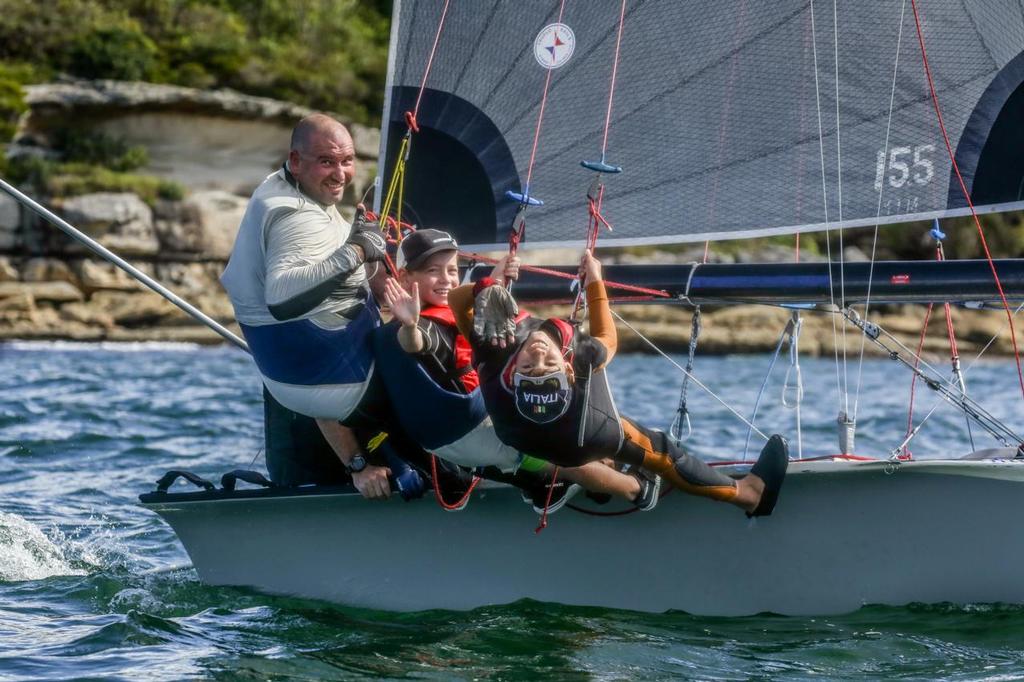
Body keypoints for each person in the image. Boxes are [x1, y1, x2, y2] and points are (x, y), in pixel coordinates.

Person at [449, 249, 789, 517]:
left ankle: (601, 477)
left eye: (532, 363)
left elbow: (456, 302)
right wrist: (596, 280)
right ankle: (750, 495)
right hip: (585, 438)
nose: (538, 354)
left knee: (566, 439)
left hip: (522, 437)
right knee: (661, 453)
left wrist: (487, 286)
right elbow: (607, 336)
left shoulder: (495, 353)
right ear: (567, 370)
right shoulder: (582, 358)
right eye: (544, 363)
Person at [376, 229, 660, 512]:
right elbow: (416, 343)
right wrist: (410, 326)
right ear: (404, 278)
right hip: (476, 431)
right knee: (566, 460)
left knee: (554, 415)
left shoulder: (442, 312)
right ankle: (639, 490)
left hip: (460, 433)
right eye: (432, 271)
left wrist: (496, 279)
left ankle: (555, 484)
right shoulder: (423, 324)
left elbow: (477, 321)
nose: (447, 279)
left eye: (452, 270)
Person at [221, 113, 395, 499]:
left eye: (347, 160)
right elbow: (284, 298)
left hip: (288, 380)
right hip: (323, 382)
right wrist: (357, 250)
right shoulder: (294, 215)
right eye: (327, 161)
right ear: (296, 161)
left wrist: (368, 273)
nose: (340, 173)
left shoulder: (285, 187)